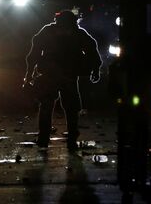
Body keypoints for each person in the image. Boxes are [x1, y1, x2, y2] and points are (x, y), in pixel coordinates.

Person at [24, 10, 102, 151]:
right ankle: (71, 139)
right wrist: (95, 69)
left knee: (47, 107)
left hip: (52, 76)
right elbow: (92, 50)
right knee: (70, 109)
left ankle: (44, 139)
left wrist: (29, 74)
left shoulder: (48, 31)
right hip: (67, 76)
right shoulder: (77, 33)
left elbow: (34, 54)